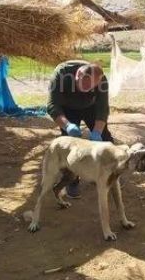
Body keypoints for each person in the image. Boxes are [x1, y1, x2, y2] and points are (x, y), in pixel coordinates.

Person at [47, 60, 113, 198]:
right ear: (78, 75)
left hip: (91, 107)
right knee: (69, 146)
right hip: (68, 108)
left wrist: (97, 132)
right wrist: (67, 126)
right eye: (84, 84)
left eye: (91, 86)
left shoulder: (101, 79)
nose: (87, 87)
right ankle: (71, 180)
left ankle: (105, 173)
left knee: (105, 139)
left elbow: (102, 108)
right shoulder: (61, 76)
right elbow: (53, 106)